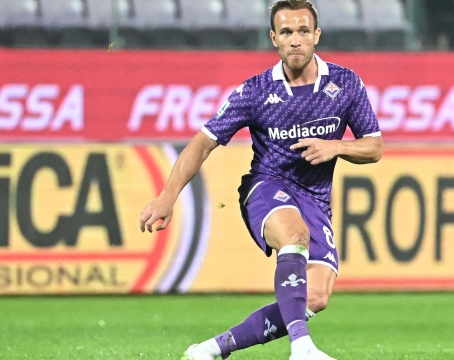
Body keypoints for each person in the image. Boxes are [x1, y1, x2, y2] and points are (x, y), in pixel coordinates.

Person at [139, 1, 382, 359]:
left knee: (314, 297)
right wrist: (167, 195)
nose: (295, 40)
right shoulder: (255, 92)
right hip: (267, 187)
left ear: (316, 35)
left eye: (303, 31)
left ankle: (210, 349)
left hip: (315, 198)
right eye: (286, 32)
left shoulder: (345, 84)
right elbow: (202, 142)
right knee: (295, 236)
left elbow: (374, 147)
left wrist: (336, 147)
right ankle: (302, 349)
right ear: (274, 39)